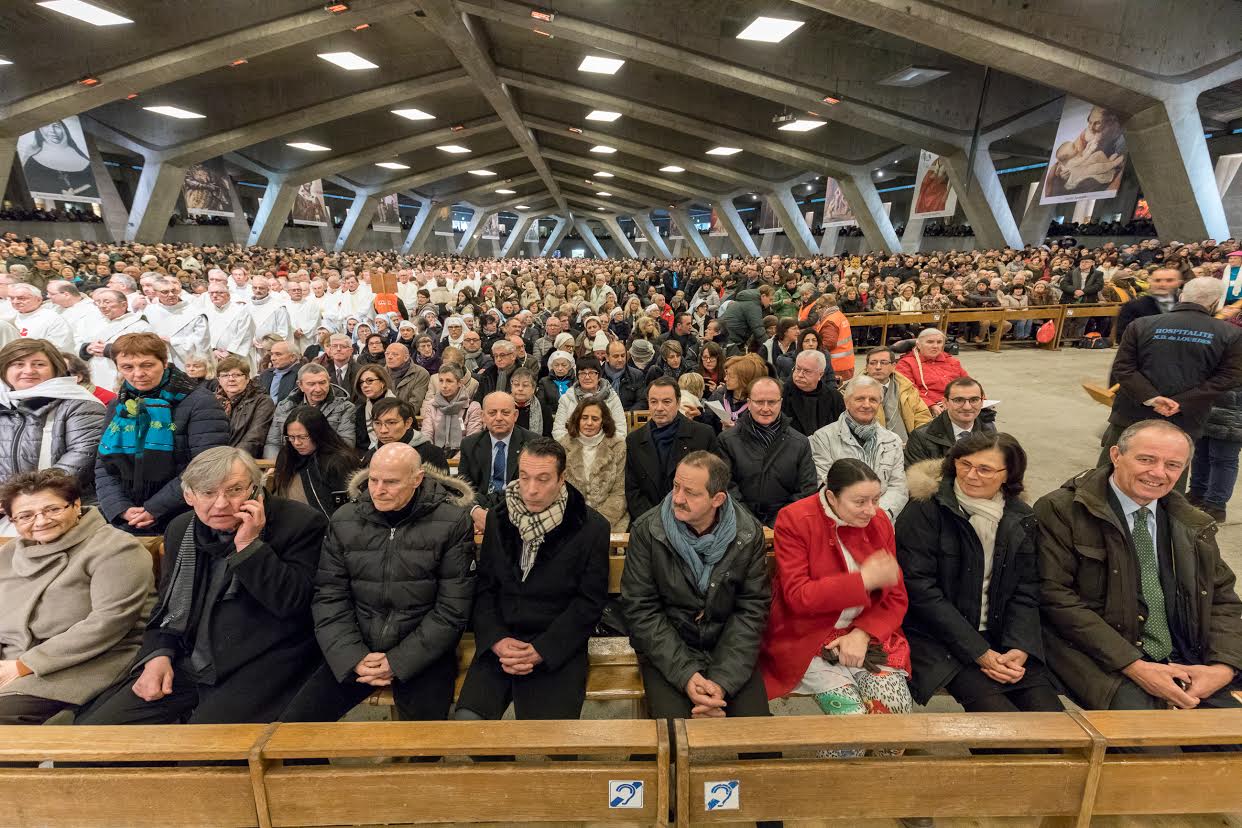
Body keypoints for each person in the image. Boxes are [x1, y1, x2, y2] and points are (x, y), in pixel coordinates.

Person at [77, 447, 328, 725]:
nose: (221, 504)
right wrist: (158, 654)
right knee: (92, 732)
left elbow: (294, 605)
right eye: (208, 492)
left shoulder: (301, 523)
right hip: (187, 659)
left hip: (263, 662)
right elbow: (168, 606)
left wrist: (249, 547)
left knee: (202, 747)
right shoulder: (181, 528)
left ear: (255, 489)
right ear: (189, 496)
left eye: (234, 490)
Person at [1035, 420, 1242, 712]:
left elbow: (1222, 599)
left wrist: (1223, 667)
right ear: (1116, 455)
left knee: (1229, 731)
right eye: (1146, 459)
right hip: (1102, 658)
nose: (1158, 473)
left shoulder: (1192, 522)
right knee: (1152, 735)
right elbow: (1055, 598)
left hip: (1185, 658)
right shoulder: (1063, 510)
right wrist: (1134, 665)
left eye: (1172, 465)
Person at [280, 443, 475, 723]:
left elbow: (452, 610)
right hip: (358, 645)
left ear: (417, 479)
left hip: (423, 654)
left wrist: (398, 662)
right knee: (293, 729)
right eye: (373, 480)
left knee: (424, 740)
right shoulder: (345, 519)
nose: (378, 490)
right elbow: (329, 596)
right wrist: (353, 657)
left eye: (391, 482)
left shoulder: (452, 522)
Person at [898, 433, 1062, 712]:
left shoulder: (1020, 516)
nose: (971, 475)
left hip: (1001, 635)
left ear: (1007, 474)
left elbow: (1026, 589)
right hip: (940, 639)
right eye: (965, 464)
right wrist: (979, 652)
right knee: (1001, 722)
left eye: (985, 469)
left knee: (1051, 720)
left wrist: (1020, 647)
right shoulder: (925, 510)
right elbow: (920, 590)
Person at [455, 438, 609, 721]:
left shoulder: (591, 527)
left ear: (562, 478)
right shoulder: (499, 519)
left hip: (555, 645)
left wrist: (542, 650)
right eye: (524, 477)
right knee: (469, 723)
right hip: (502, 641)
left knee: (548, 738)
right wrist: (497, 639)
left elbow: (588, 603)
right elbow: (485, 588)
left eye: (543, 479)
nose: (531, 489)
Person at [761, 459, 913, 740]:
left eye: (876, 499)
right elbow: (798, 596)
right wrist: (863, 580)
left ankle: (882, 769)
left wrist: (863, 634)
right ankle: (841, 770)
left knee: (895, 711)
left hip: (865, 635)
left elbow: (895, 597)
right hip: (809, 637)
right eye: (860, 502)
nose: (871, 510)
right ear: (831, 497)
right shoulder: (795, 519)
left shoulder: (879, 521)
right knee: (849, 723)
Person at [621, 451, 773, 719]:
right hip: (668, 648)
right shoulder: (648, 530)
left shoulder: (747, 534)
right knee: (673, 732)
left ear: (718, 499)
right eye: (676, 486)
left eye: (690, 492)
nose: (677, 498)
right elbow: (641, 610)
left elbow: (751, 610)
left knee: (756, 733)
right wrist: (687, 674)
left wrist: (721, 682)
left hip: (727, 646)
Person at [0, 469, 154, 724]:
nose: (41, 521)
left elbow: (108, 622)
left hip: (87, 663)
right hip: (13, 660)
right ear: (13, 521)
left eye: (52, 509)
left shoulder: (116, 547)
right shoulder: (9, 554)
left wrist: (23, 665)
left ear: (76, 505)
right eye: (26, 516)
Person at [95, 333, 230, 534]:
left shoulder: (200, 402)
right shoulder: (118, 404)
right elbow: (104, 464)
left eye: (147, 365)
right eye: (127, 367)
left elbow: (205, 465)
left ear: (164, 362)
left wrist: (154, 509)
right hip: (126, 517)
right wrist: (120, 508)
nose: (138, 374)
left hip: (182, 515)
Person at [1102, 276, 1242, 466]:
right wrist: (1181, 402)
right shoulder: (1231, 334)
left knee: (1112, 469)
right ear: (1216, 302)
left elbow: (1123, 367)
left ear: (1181, 296)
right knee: (1166, 474)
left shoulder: (1141, 324)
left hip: (1132, 413)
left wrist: (1151, 397)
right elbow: (1230, 377)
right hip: (1184, 419)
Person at [0, 338, 104, 489]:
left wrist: (29, 496)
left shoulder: (81, 404)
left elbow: (82, 456)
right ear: (4, 370)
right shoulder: (4, 404)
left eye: (39, 364)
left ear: (56, 369)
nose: (29, 371)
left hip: (64, 498)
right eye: (18, 364)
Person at [717, 376, 818, 526]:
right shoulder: (727, 440)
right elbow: (726, 487)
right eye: (759, 402)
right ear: (749, 403)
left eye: (771, 402)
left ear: (780, 403)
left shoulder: (800, 443)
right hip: (739, 525)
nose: (765, 408)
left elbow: (807, 490)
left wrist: (779, 521)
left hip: (785, 525)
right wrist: (750, 523)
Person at [809, 376, 908, 522]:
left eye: (873, 400)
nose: (866, 405)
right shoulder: (822, 438)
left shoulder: (893, 440)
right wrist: (857, 512)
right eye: (860, 399)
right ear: (846, 402)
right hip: (839, 521)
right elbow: (825, 483)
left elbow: (898, 487)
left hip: (881, 520)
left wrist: (877, 515)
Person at [625, 377, 719, 522]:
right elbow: (633, 490)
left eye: (666, 402)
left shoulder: (703, 435)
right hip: (649, 521)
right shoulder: (634, 440)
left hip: (693, 520)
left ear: (678, 402)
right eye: (654, 402)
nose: (659, 408)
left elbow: (714, 482)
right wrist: (655, 520)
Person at [458, 391, 537, 536]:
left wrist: (492, 517)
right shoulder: (469, 445)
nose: (499, 418)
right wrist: (476, 512)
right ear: (483, 416)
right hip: (478, 511)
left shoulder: (533, 444)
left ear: (515, 416)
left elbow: (529, 489)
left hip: (519, 512)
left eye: (505, 413)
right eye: (492, 413)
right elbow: (463, 488)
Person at [268, 405, 360, 518]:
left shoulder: (340, 461)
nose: (296, 443)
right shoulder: (287, 454)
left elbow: (349, 506)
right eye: (291, 437)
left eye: (303, 437)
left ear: (318, 434)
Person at [558, 397, 629, 530]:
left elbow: (619, 493)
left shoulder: (618, 446)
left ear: (603, 422)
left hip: (610, 518)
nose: (589, 423)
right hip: (571, 518)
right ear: (577, 419)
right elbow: (559, 491)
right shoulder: (563, 445)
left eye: (595, 419)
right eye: (584, 418)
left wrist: (597, 523)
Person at [264, 363, 356, 459]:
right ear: (300, 385)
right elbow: (273, 443)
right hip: (290, 461)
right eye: (311, 384)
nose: (318, 389)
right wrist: (275, 464)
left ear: (329, 381)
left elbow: (345, 445)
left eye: (322, 383)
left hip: (327, 462)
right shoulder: (284, 407)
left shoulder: (345, 407)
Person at [904, 376, 992, 465]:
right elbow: (916, 473)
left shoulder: (989, 430)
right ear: (945, 403)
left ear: (982, 402)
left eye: (974, 400)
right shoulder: (921, 437)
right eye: (958, 400)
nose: (967, 407)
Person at [79, 288, 150, 391]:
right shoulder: (92, 322)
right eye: (99, 302)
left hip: (123, 376)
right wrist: (87, 348)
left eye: (107, 302)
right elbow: (79, 342)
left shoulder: (139, 325)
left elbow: (148, 351)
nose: (102, 306)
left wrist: (110, 349)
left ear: (124, 304)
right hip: (96, 373)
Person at [1189, 389, 1241, 522]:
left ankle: (1216, 506)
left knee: (1223, 460)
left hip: (1233, 414)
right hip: (1208, 409)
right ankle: (1197, 494)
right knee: (1200, 454)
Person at [865, 346, 932, 443]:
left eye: (883, 362)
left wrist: (918, 440)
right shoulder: (855, 391)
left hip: (908, 444)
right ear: (867, 367)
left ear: (893, 366)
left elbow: (922, 416)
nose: (878, 367)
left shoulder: (907, 389)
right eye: (873, 363)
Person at [213, 355, 275, 458]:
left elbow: (255, 437)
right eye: (225, 375)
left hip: (242, 459)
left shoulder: (262, 401)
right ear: (219, 379)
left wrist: (232, 458)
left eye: (237, 375)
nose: (231, 379)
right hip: (213, 458)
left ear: (247, 379)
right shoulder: (210, 401)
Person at [551, 356, 626, 440]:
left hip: (605, 446)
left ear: (599, 376)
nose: (587, 377)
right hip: (573, 446)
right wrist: (575, 446)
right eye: (582, 373)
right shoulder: (567, 399)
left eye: (592, 373)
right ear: (577, 376)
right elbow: (558, 431)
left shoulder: (611, 397)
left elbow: (620, 431)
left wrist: (601, 445)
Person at [894, 327, 967, 414]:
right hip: (926, 408)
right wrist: (931, 405)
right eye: (930, 342)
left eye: (939, 342)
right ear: (918, 344)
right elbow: (909, 390)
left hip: (958, 402)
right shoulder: (906, 364)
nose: (935, 346)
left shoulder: (952, 361)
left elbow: (968, 383)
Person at [365, 397, 448, 471]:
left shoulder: (431, 454)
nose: (383, 430)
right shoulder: (371, 455)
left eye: (391, 423)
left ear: (408, 423)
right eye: (377, 423)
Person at [420, 363, 483, 457]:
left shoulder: (472, 407)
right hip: (435, 457)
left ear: (460, 383)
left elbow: (472, 441)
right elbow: (426, 435)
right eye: (441, 381)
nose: (444, 386)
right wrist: (435, 459)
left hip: (463, 458)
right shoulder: (432, 405)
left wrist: (454, 462)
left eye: (449, 381)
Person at [782, 349, 845, 437]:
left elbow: (842, 429)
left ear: (820, 374)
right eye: (798, 369)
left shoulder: (834, 397)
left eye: (807, 371)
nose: (800, 375)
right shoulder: (781, 394)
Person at [9, 283, 74, 352]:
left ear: (39, 299)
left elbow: (59, 347)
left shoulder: (52, 318)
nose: (15, 302)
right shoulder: (10, 318)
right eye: (12, 298)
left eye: (21, 298)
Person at [710, 353, 767, 429]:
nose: (725, 379)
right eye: (726, 374)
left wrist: (737, 430)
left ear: (744, 379)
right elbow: (706, 424)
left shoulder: (760, 404)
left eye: (730, 376)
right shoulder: (719, 394)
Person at [812, 291, 855, 381]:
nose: (816, 310)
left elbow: (828, 344)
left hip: (835, 366)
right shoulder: (839, 315)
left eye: (818, 308)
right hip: (845, 363)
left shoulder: (830, 321)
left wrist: (813, 351)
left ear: (826, 307)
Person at [353, 364, 396, 450]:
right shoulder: (361, 411)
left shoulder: (399, 407)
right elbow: (361, 444)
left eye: (370, 380)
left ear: (382, 382)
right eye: (361, 382)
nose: (364, 385)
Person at [602, 340, 648, 410]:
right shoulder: (598, 375)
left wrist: (626, 415)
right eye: (616, 356)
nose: (620, 359)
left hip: (629, 414)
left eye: (623, 356)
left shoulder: (637, 375)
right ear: (607, 357)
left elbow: (642, 401)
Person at [385, 341, 431, 412]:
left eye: (395, 354)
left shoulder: (421, 374)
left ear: (406, 357)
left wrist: (394, 415)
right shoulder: (380, 373)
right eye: (387, 354)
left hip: (407, 416)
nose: (389, 357)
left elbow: (414, 405)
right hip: (382, 415)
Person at [509, 368, 551, 437]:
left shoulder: (543, 409)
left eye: (525, 385)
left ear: (533, 389)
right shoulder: (503, 405)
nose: (520, 389)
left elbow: (547, 437)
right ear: (511, 387)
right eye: (516, 384)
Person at [257, 340, 301, 405]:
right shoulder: (266, 374)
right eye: (272, 354)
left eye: (278, 354)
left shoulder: (301, 374)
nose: (272, 358)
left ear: (292, 357)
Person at [317, 333, 360, 398]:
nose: (338, 349)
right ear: (331, 350)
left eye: (343, 346)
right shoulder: (323, 372)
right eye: (334, 346)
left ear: (351, 351)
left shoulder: (360, 371)